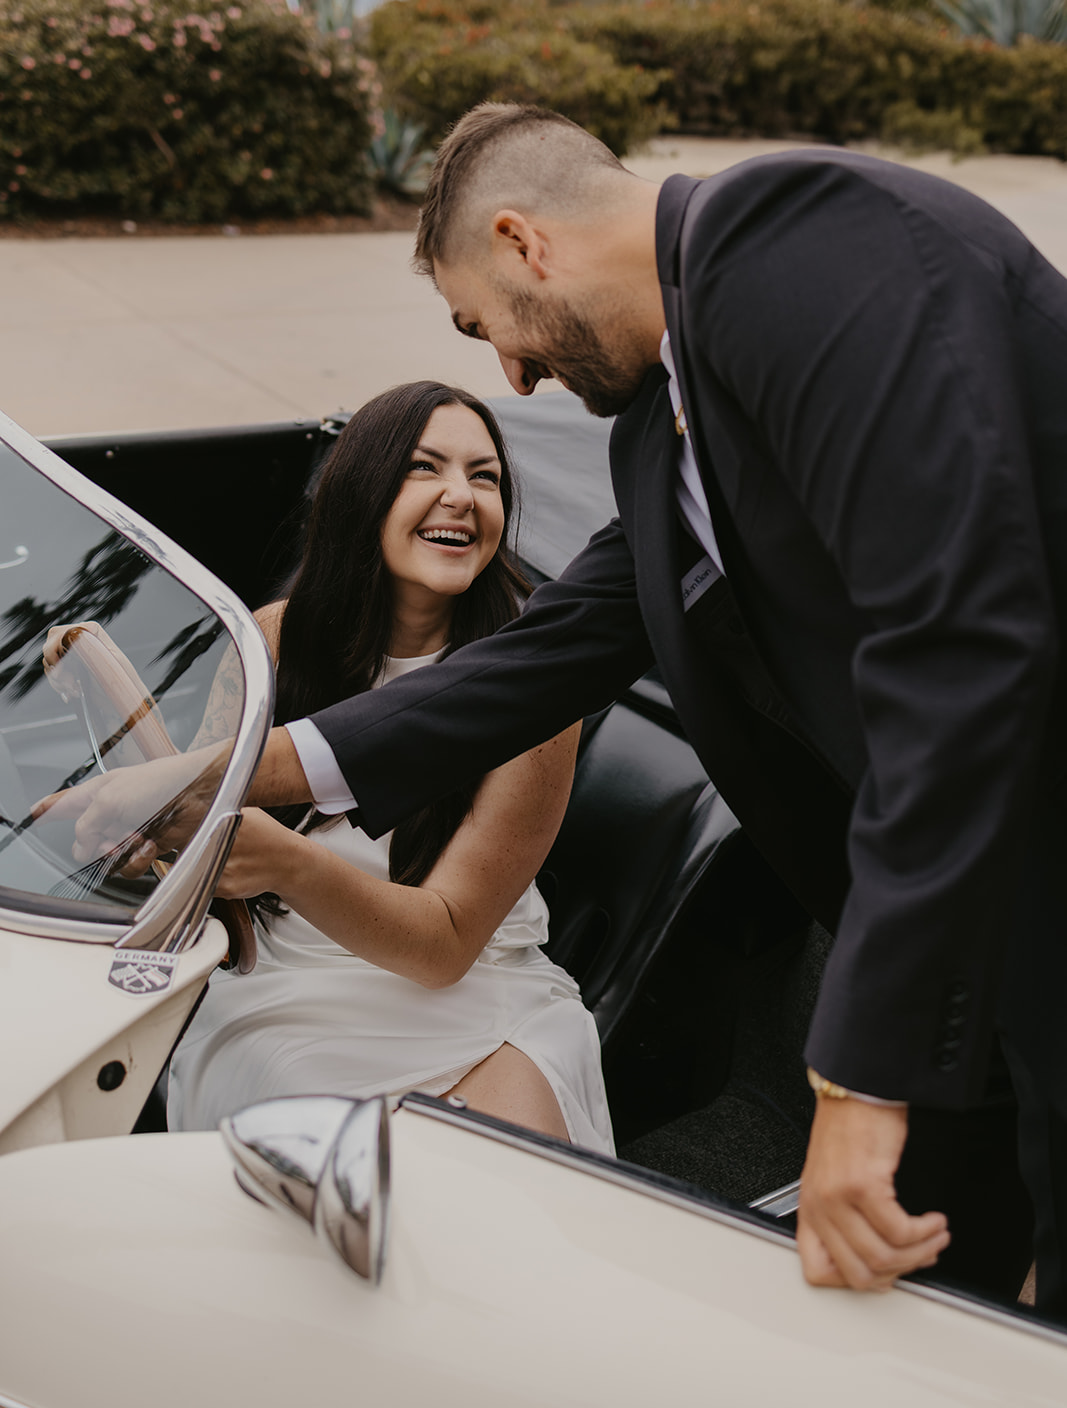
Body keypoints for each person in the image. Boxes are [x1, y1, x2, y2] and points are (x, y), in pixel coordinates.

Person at [62, 105, 1067, 1312]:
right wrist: (212, 782)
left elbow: (955, 648)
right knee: (924, 1300)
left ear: (522, 240)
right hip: (963, 919)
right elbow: (531, 662)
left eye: (488, 326)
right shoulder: (657, 432)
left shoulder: (802, 237)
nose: (515, 376)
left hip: (1007, 867)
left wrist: (856, 1077)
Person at [50, 381, 613, 1152]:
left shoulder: (536, 687)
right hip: (280, 993)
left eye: (485, 477)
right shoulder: (274, 640)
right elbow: (203, 855)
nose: (461, 496)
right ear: (362, 493)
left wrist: (286, 861)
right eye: (426, 468)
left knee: (518, 1195)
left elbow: (445, 947)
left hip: (482, 992)